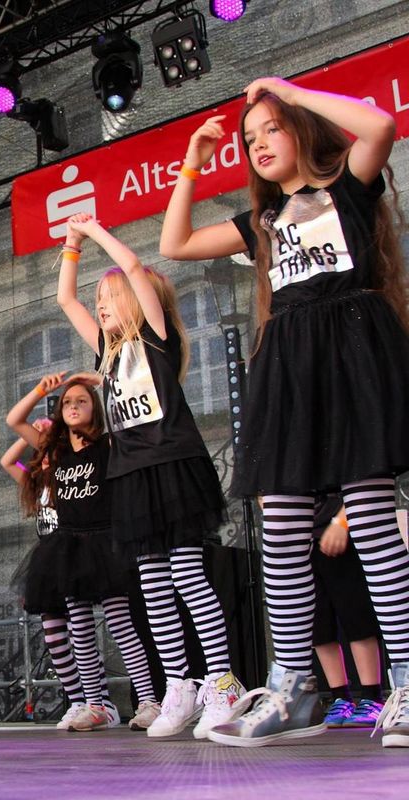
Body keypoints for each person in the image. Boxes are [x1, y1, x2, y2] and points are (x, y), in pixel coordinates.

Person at [159, 77, 409, 747]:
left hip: (353, 355)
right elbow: (175, 243)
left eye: (272, 129)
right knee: (282, 532)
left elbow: (380, 126)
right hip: (289, 368)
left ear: (301, 128)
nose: (259, 144)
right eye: (250, 139)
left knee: (372, 521)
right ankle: (294, 687)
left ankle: (407, 682)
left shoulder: (348, 188)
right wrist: (193, 161)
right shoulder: (262, 223)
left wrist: (287, 90)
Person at [58, 215, 242, 739]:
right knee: (153, 585)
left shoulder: (157, 340)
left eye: (110, 298)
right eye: (99, 299)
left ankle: (222, 683)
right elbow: (65, 300)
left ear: (137, 304)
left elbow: (135, 266)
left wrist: (94, 231)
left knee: (188, 576)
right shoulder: (107, 353)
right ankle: (178, 687)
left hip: (171, 467)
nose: (101, 306)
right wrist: (70, 247)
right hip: (132, 474)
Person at [7, 375, 159, 732]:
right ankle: (95, 704)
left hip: (105, 541)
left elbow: (139, 413)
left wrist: (103, 382)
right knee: (79, 628)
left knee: (121, 623)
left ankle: (149, 701)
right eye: (67, 402)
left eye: (81, 401)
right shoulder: (55, 451)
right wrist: (42, 390)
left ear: (96, 408)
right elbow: (14, 420)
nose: (73, 406)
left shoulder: (108, 444)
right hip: (70, 546)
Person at [310, 500, 384, 728]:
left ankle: (372, 697)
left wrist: (342, 522)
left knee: (356, 616)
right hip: (302, 540)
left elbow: (358, 488)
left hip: (341, 530)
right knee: (318, 624)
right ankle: (340, 697)